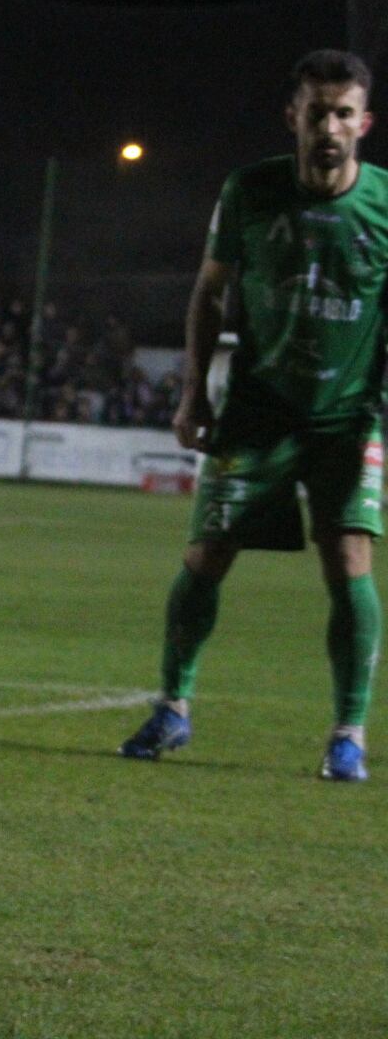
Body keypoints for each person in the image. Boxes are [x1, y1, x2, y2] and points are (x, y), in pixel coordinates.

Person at [118, 49, 382, 783]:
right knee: (206, 555)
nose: (329, 126)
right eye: (316, 111)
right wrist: (193, 390)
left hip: (348, 416)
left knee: (349, 559)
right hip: (259, 409)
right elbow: (208, 293)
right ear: (292, 116)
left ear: (365, 121)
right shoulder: (250, 192)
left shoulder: (385, 206)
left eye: (342, 113)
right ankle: (173, 707)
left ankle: (347, 735)